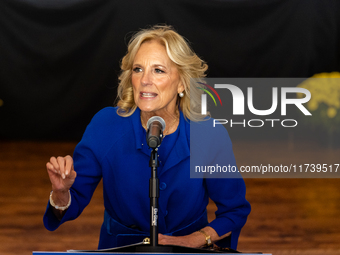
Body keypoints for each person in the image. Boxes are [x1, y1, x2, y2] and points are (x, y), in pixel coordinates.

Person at [44, 25, 251, 250]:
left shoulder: (209, 134)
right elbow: (69, 204)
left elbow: (234, 210)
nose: (145, 80)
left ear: (182, 82)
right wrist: (61, 193)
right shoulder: (105, 126)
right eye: (138, 69)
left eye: (158, 70)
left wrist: (194, 240)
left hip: (189, 252)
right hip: (120, 249)